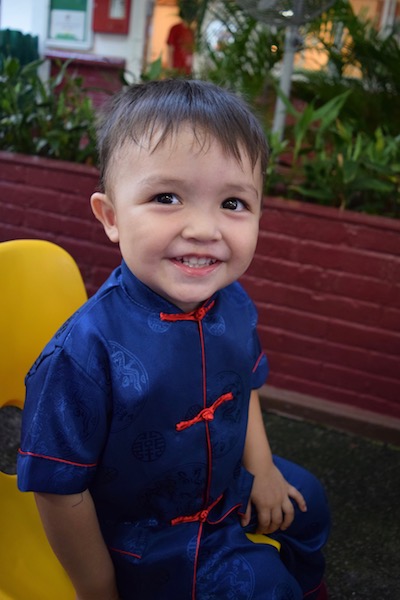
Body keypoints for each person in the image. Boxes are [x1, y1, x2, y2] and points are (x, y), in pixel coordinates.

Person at [17, 79, 330, 600]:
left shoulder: (233, 302)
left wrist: (262, 468)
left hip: (223, 484)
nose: (204, 228)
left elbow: (243, 387)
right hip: (147, 532)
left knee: (309, 501)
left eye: (233, 202)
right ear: (112, 217)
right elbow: (57, 489)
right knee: (263, 586)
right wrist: (98, 588)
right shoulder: (83, 354)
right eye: (167, 197)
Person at [166, 6, 195, 75]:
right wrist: (170, 67)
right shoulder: (175, 28)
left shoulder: (191, 31)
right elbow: (170, 48)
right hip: (176, 68)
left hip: (188, 69)